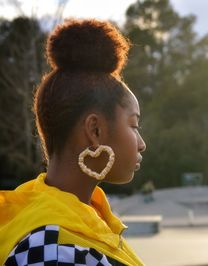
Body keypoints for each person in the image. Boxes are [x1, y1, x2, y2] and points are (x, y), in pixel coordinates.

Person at [0, 19, 146, 265]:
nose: (141, 144)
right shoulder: (55, 253)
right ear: (95, 130)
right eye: (133, 125)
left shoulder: (66, 221)